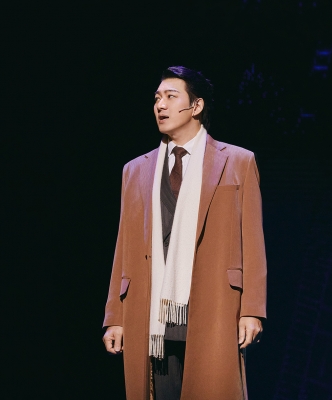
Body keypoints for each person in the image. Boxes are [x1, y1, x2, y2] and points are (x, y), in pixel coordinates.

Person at [102, 66, 267, 400]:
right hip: (152, 309)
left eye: (170, 96)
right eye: (157, 98)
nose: (160, 105)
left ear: (196, 106)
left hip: (213, 301)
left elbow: (252, 240)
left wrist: (252, 309)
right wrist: (115, 316)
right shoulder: (135, 170)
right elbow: (124, 245)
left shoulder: (237, 161)